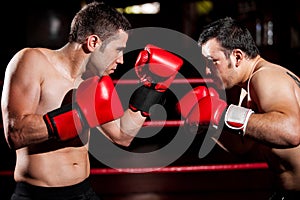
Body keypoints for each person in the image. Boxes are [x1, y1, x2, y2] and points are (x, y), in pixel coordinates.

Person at [1, 1, 183, 200]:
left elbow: (122, 135)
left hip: (84, 192)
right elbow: (16, 133)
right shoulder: (33, 61)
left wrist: (153, 89)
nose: (121, 60)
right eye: (117, 50)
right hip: (38, 195)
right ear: (93, 42)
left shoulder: (96, 81)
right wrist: (80, 115)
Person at [177, 17, 300, 199]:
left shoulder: (265, 76)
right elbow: (243, 147)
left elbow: (290, 131)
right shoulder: (247, 87)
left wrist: (219, 113)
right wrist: (208, 124)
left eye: (212, 61)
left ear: (237, 56)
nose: (207, 70)